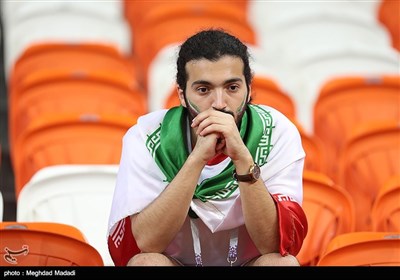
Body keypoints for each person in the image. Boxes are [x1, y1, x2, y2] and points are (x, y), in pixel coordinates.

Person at [107, 28, 308, 266]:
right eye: (203, 90)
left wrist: (243, 158)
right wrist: (196, 159)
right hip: (176, 263)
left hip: (248, 263)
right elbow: (147, 243)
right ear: (182, 95)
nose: (220, 104)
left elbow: (275, 245)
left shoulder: (275, 131)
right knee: (146, 263)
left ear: (249, 89)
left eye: (232, 88)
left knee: (282, 264)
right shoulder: (148, 136)